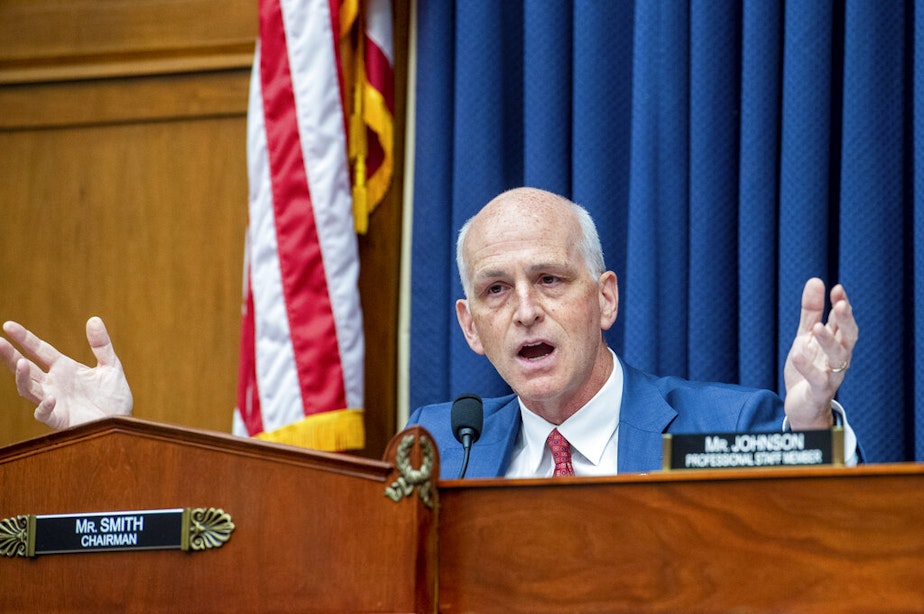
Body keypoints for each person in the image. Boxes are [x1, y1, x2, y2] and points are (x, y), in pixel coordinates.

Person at [1, 188, 859, 478]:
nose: (524, 308)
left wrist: (811, 423)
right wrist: (122, 438)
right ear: (471, 327)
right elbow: (292, 525)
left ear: (604, 299)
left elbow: (814, 539)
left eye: (549, 281)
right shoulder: (438, 446)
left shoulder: (728, 425)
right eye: (496, 290)